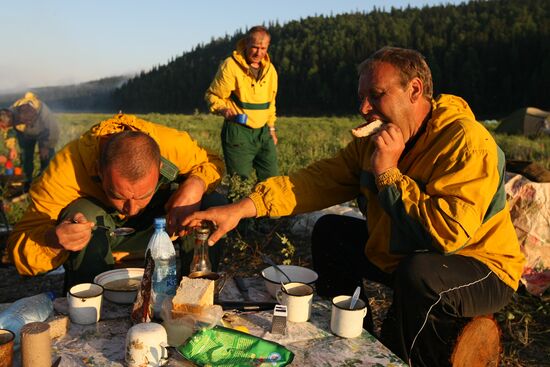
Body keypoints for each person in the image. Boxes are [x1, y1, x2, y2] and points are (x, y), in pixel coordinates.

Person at [184, 47, 525, 366]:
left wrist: (389, 174)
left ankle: (395, 358)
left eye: (376, 95)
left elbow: (447, 235)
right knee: (332, 232)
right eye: (362, 97)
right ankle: (357, 338)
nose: (364, 108)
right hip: (407, 250)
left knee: (420, 275)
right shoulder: (376, 139)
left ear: (415, 90)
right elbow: (316, 181)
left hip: (480, 265)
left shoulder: (466, 142)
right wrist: (242, 208)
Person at [7, 114, 226, 291]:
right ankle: (91, 305)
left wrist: (196, 184)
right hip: (103, 236)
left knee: (209, 204)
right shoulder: (66, 170)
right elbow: (19, 247)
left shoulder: (172, 145)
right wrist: (53, 238)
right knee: (81, 210)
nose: (131, 208)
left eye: (142, 195)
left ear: (159, 167)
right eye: (118, 196)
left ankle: (197, 296)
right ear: (99, 172)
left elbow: (212, 163)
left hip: (162, 226)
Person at [205, 25, 278, 181]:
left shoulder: (270, 70)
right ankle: (237, 204)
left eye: (263, 48)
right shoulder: (230, 66)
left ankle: (265, 206)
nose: (259, 53)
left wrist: (271, 128)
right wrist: (223, 109)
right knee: (240, 183)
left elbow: (271, 103)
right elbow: (212, 95)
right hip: (238, 132)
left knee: (272, 181)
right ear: (246, 44)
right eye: (255, 47)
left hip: (263, 133)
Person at [3, 92, 60, 191]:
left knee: (47, 158)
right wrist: (12, 148)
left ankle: (46, 184)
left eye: (29, 122)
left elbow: (53, 129)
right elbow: (10, 130)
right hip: (24, 134)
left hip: (44, 134)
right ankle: (26, 182)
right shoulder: (11, 112)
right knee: (25, 157)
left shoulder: (43, 112)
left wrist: (46, 146)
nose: (27, 124)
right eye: (23, 121)